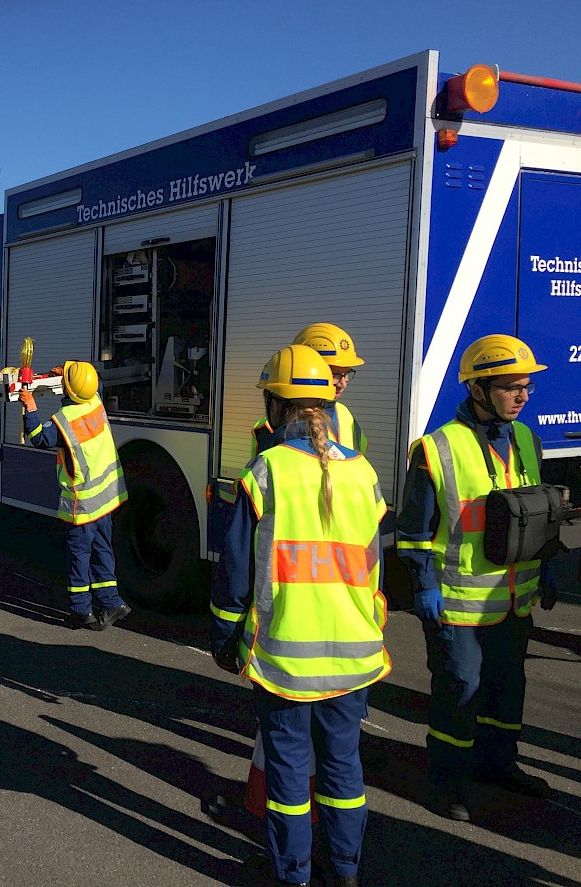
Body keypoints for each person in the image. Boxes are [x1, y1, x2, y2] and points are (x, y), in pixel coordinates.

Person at [211, 344, 390, 887]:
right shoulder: (362, 472)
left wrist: (225, 635)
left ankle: (291, 873)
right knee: (344, 769)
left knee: (290, 773)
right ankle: (346, 872)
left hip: (286, 656)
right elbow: (374, 570)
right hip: (356, 653)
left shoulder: (266, 472)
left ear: (275, 404)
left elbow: (235, 573)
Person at [396, 334, 557, 822]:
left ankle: (498, 764)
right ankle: (444, 781)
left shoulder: (527, 439)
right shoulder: (438, 448)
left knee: (507, 686)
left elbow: (538, 517)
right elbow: (413, 533)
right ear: (480, 390)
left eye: (526, 387)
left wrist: (545, 568)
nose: (523, 396)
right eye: (512, 388)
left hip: (514, 600)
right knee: (461, 688)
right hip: (456, 603)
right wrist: (423, 585)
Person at [18, 360, 131, 631]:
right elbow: (95, 380)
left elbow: (38, 437)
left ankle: (82, 611)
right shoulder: (96, 401)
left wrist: (30, 407)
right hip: (106, 497)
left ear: (67, 389)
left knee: (79, 554)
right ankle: (111, 601)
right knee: (103, 548)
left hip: (82, 502)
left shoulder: (64, 421)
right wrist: (68, 375)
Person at [252, 323, 367, 456]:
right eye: (334, 374)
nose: (343, 384)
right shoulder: (267, 427)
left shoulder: (345, 414)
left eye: (346, 374)